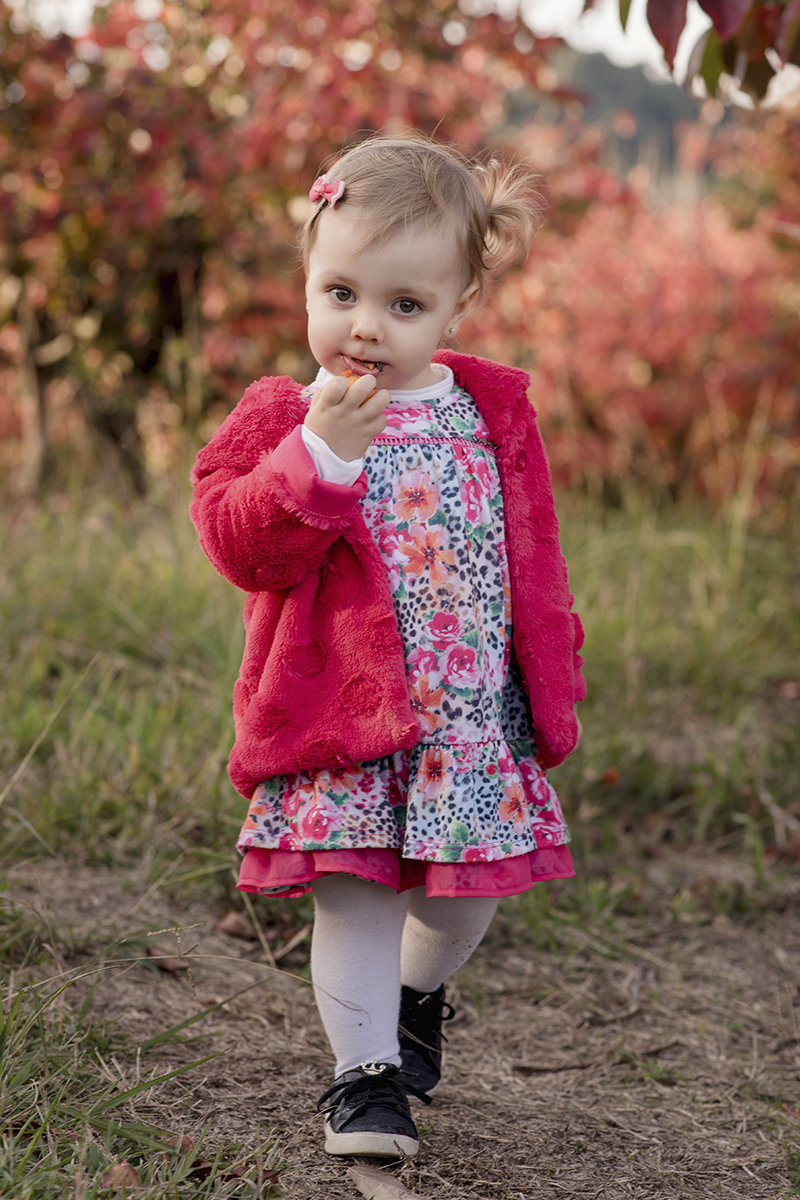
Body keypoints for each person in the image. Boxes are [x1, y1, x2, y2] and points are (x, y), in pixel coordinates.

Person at [190, 134, 585, 1160]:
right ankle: (361, 1081)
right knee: (358, 894)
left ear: (456, 307)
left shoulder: (489, 413)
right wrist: (318, 457)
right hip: (340, 721)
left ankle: (415, 995)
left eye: (403, 307)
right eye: (341, 293)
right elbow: (241, 546)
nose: (364, 329)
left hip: (466, 719)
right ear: (308, 282)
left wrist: (549, 676)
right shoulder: (286, 415)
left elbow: (529, 555)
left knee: (464, 907)